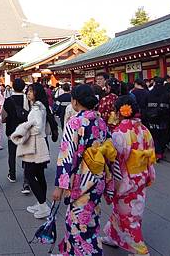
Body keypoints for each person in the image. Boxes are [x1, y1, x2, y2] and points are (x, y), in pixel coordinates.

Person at [52, 84, 115, 256]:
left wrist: (59, 185)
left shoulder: (75, 122)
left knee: (79, 222)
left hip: (80, 179)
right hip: (98, 176)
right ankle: (71, 251)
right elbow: (109, 149)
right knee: (90, 216)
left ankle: (87, 252)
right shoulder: (100, 121)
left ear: (75, 101)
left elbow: (66, 155)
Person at [102, 95, 156, 255]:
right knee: (127, 209)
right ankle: (113, 236)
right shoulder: (144, 129)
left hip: (125, 179)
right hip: (141, 175)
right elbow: (150, 150)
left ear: (119, 112)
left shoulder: (120, 132)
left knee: (128, 215)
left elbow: (116, 158)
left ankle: (140, 250)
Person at [11, 83, 50, 219]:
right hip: (39, 142)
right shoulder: (39, 106)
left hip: (35, 143)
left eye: (31, 91)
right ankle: (41, 203)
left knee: (30, 172)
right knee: (39, 174)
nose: (28, 93)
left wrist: (25, 130)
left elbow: (38, 127)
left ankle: (43, 205)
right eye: (28, 91)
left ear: (37, 93)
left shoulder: (37, 108)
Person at [1, 78, 31, 192]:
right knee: (26, 155)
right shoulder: (27, 100)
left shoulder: (8, 100)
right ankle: (27, 179)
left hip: (12, 130)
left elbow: (3, 117)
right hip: (25, 131)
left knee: (12, 154)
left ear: (13, 87)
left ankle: (12, 174)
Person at [144, 77, 170, 160]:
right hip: (164, 119)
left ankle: (157, 152)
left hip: (151, 119)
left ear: (154, 83)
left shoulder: (149, 93)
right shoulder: (167, 94)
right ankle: (161, 151)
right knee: (163, 135)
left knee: (154, 136)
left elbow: (145, 105)